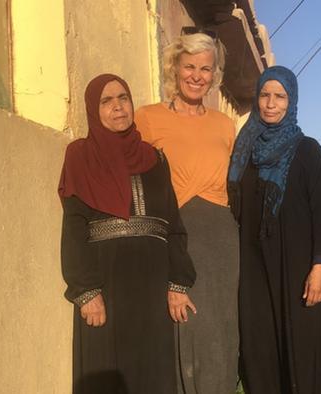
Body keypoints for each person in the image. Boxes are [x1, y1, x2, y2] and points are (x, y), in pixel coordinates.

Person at [59, 74, 196, 393]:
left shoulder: (154, 158)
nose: (118, 107)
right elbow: (74, 226)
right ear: (94, 109)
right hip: (106, 282)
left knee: (152, 371)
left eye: (123, 98)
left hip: (152, 282)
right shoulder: (80, 156)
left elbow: (172, 225)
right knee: (107, 370)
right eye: (106, 101)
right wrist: (87, 291)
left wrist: (178, 282)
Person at [134, 30, 239, 393]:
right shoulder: (147, 119)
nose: (197, 75)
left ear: (214, 76)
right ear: (174, 69)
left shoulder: (225, 126)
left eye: (206, 69)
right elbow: (135, 184)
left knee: (219, 331)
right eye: (190, 66)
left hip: (221, 239)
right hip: (172, 234)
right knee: (178, 326)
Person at [228, 65, 321, 393]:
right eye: (264, 95)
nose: (271, 103)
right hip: (255, 268)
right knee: (260, 347)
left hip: (298, 269)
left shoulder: (307, 150)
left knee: (302, 349)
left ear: (292, 101)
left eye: (280, 96)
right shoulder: (243, 151)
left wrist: (320, 266)